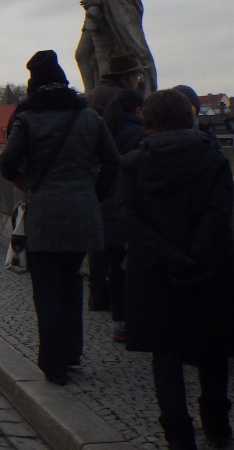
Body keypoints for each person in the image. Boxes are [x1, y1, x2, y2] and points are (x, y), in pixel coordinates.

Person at [117, 89, 234, 450]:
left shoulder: (133, 164)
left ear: (148, 121)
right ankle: (217, 426)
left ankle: (177, 434)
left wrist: (167, 256)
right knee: (213, 346)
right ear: (188, 116)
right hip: (211, 267)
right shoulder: (212, 158)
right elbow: (218, 214)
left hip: (155, 271)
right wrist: (196, 257)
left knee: (166, 352)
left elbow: (127, 217)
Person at [0, 50, 118, 386]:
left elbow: (7, 163)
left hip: (44, 213)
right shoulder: (89, 117)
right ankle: (71, 352)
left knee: (47, 289)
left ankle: (53, 364)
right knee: (71, 281)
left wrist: (26, 183)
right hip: (82, 210)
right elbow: (112, 162)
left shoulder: (28, 119)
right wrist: (93, 195)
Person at [84, 53, 145, 310]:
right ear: (127, 78)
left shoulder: (91, 96)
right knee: (119, 246)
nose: (138, 80)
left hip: (93, 176)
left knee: (99, 240)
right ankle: (120, 302)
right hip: (116, 180)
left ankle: (97, 293)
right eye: (136, 76)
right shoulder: (121, 98)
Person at [99, 89, 144, 342]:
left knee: (114, 267)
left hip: (107, 205)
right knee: (134, 268)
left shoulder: (106, 129)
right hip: (130, 205)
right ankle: (137, 321)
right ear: (138, 110)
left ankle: (120, 322)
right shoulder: (140, 133)